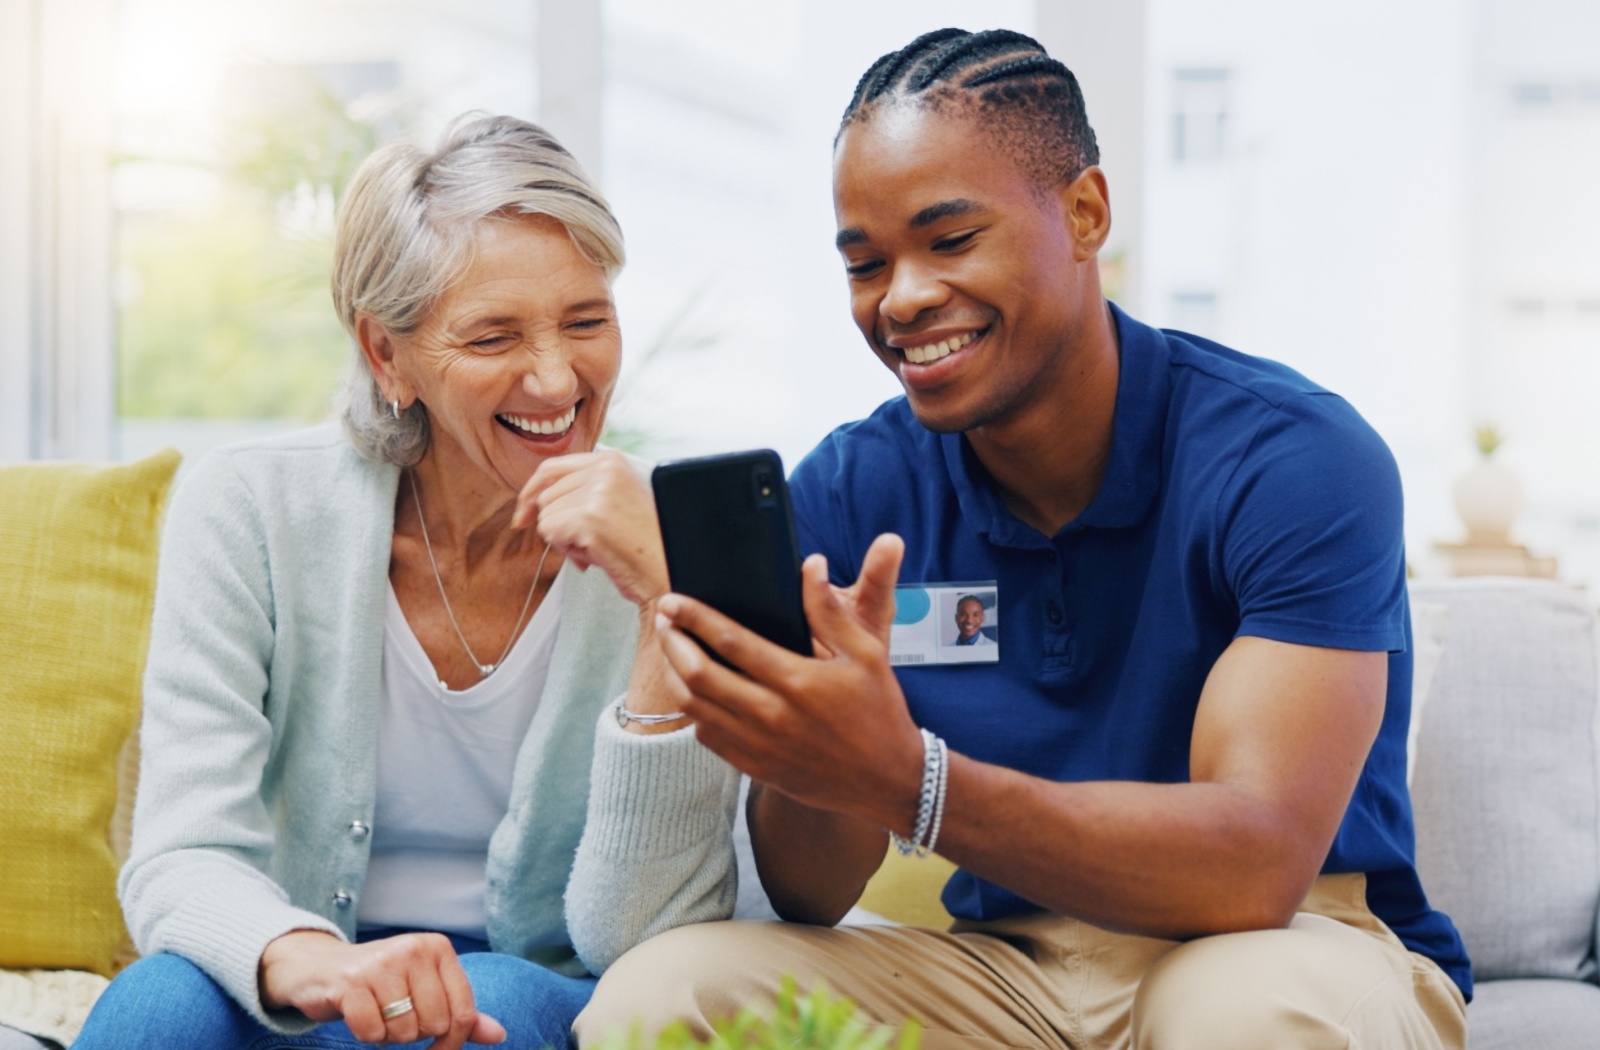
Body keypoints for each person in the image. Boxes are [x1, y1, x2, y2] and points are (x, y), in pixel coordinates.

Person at [573, 27, 1471, 1050]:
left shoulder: (1293, 457)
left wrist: (903, 777)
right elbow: (810, 892)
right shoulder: (854, 485)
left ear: (1084, 213)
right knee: (662, 996)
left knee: (1247, 1014)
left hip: (1282, 938)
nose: (901, 298)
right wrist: (819, 755)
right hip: (1006, 963)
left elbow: (1252, 865)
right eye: (866, 262)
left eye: (949, 241)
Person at [73, 114, 734, 1050]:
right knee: (155, 1007)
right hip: (300, 960)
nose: (555, 378)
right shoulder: (250, 503)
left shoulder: (679, 534)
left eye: (587, 321)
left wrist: (668, 607)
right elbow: (185, 853)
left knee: (472, 1011)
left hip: (533, 979)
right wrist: (309, 955)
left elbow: (638, 941)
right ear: (387, 353)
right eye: (494, 335)